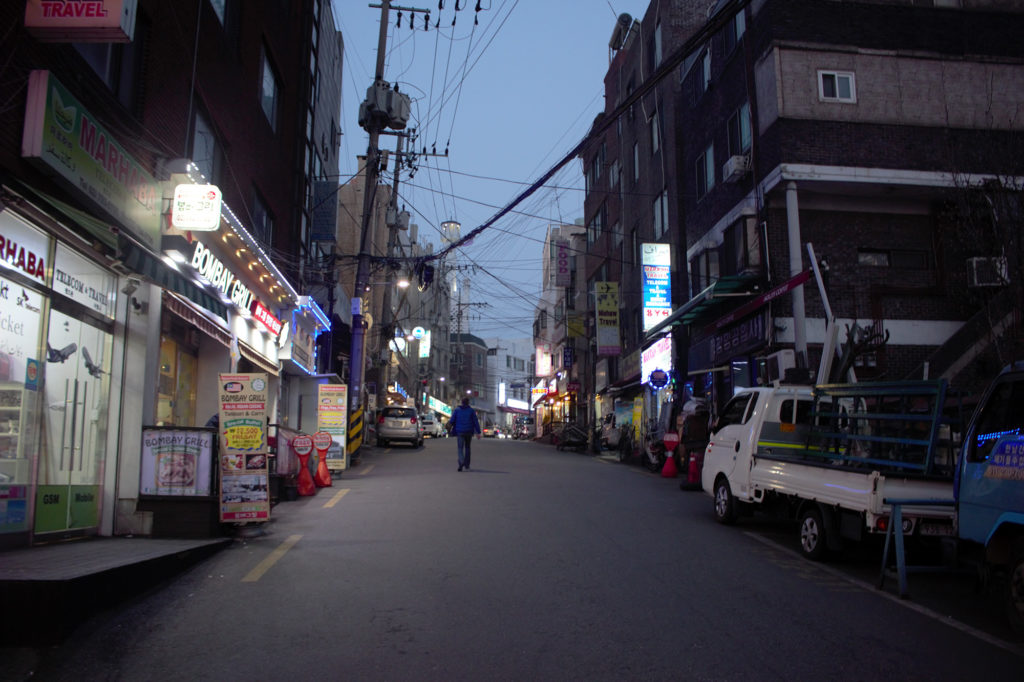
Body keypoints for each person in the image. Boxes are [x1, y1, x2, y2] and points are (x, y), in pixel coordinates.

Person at [450, 397, 481, 471]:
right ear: (468, 403)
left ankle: (461, 462)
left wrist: (450, 427)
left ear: (462, 402)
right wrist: (478, 432)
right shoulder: (471, 411)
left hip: (460, 431)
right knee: (467, 447)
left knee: (460, 448)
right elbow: (475, 421)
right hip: (469, 432)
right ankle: (467, 464)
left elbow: (452, 420)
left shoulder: (457, 410)